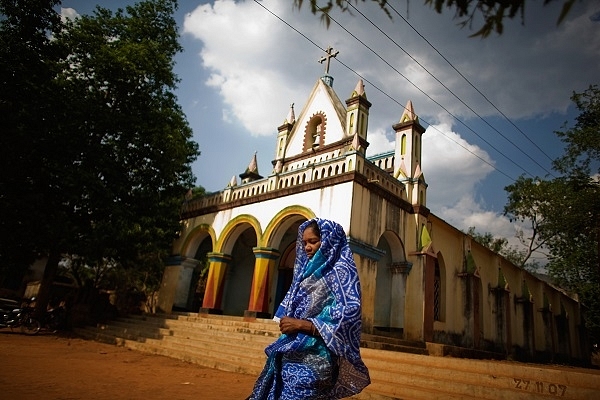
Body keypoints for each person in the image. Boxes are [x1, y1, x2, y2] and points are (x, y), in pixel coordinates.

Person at [248, 218, 370, 399]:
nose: (307, 247)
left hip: (316, 360)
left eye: (313, 241)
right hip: (289, 354)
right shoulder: (305, 273)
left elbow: (349, 316)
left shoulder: (341, 275)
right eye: (304, 243)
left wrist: (303, 325)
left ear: (329, 241)